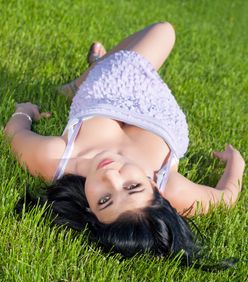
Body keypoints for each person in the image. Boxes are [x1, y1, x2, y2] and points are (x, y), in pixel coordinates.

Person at [4, 22, 245, 266]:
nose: (111, 176)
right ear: (153, 187)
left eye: (104, 200)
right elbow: (224, 198)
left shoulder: (56, 158)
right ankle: (90, 71)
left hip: (111, 80)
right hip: (150, 90)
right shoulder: (171, 186)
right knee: (165, 30)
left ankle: (84, 79)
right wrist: (237, 163)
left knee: (140, 48)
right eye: (132, 186)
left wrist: (24, 111)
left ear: (90, 210)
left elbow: (14, 134)